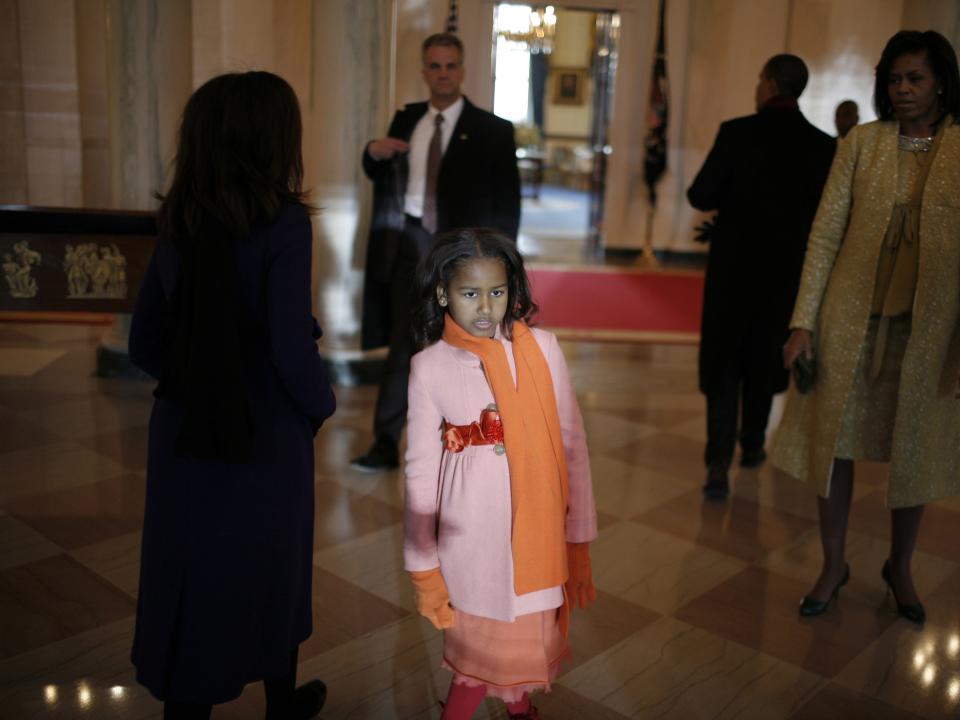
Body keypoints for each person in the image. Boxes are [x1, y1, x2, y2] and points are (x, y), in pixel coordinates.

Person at [129, 71, 336, 719]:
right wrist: (321, 406)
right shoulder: (284, 223)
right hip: (264, 426)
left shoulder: (179, 217)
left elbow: (144, 342)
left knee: (191, 574)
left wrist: (197, 371)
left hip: (186, 421)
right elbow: (288, 349)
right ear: (274, 139)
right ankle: (282, 704)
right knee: (271, 568)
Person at [773, 30, 960, 622]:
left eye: (916, 79)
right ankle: (833, 564)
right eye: (895, 79)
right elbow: (824, 235)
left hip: (927, 334)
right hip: (849, 325)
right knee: (834, 447)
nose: (902, 90)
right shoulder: (861, 143)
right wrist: (803, 321)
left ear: (941, 84)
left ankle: (900, 568)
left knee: (915, 453)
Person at [403, 228, 597, 719]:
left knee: (518, 647)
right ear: (444, 293)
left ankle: (520, 710)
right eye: (470, 294)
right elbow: (420, 473)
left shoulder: (544, 349)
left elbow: (573, 446)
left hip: (537, 537)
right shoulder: (429, 366)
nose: (486, 308)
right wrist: (422, 564)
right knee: (479, 656)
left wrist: (578, 538)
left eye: (498, 292)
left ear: (513, 291)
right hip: (472, 540)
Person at [352, 32, 521, 472]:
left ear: (462, 71)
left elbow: (507, 202)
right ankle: (387, 442)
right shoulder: (406, 119)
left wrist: (500, 264)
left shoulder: (493, 130)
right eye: (434, 66)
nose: (442, 73)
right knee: (402, 347)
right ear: (424, 71)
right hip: (408, 246)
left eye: (450, 66)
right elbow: (380, 171)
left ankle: (471, 440)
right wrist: (372, 151)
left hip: (463, 256)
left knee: (467, 349)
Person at [687, 54, 836, 499]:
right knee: (763, 359)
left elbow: (701, 194)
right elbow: (824, 221)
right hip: (785, 277)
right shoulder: (822, 145)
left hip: (733, 273)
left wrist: (731, 213)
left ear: (769, 83)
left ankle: (718, 463)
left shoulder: (737, 133)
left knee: (724, 364)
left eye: (758, 80)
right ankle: (752, 446)